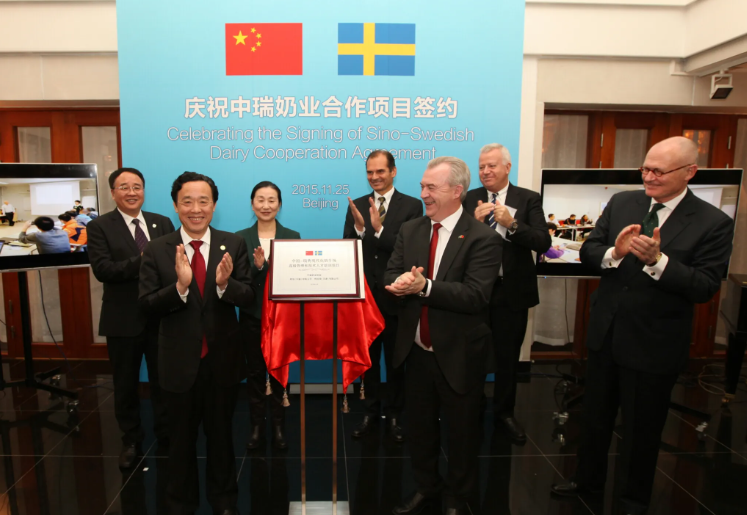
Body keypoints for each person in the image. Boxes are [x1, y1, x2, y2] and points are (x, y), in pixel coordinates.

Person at [551, 137, 734, 514]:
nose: (648, 177)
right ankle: (586, 481)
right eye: (645, 169)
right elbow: (589, 251)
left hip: (654, 344)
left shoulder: (713, 222)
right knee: (595, 419)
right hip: (606, 334)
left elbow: (705, 286)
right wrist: (614, 253)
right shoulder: (623, 203)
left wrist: (658, 262)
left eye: (658, 171)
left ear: (689, 172)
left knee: (641, 431)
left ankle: (632, 500)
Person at [385, 156, 502, 515]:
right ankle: (426, 488)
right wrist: (399, 283)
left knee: (462, 434)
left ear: (456, 191)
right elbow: (391, 271)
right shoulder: (411, 229)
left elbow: (475, 295)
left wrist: (425, 287)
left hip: (459, 353)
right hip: (417, 351)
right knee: (420, 430)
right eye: (422, 186)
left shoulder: (483, 238)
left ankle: (458, 497)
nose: (423, 194)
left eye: (431, 187)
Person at [139, 171, 255, 515]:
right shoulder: (157, 249)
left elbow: (248, 295)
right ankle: (180, 504)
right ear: (175, 206)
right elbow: (146, 304)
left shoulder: (233, 243)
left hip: (222, 361)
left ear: (214, 205)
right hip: (177, 362)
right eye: (187, 201)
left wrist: (224, 285)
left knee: (222, 438)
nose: (196, 209)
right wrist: (179, 288)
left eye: (203, 201)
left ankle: (224, 501)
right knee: (179, 442)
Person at [87, 167, 175, 469]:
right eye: (124, 187)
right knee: (125, 384)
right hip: (122, 318)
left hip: (161, 316)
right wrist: (145, 260)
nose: (131, 192)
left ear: (144, 191)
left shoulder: (161, 222)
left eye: (137, 186)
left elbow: (172, 263)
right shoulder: (99, 226)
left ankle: (166, 434)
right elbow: (104, 270)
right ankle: (131, 440)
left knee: (163, 380)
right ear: (113, 193)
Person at [463, 143, 551, 444]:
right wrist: (473, 225)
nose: (485, 171)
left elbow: (542, 241)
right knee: (472, 354)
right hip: (476, 292)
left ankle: (504, 413)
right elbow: (455, 242)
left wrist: (511, 224)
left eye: (492, 166)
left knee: (507, 357)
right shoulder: (469, 198)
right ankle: (472, 408)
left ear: (507, 167)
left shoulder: (528, 198)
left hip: (511, 292)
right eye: (481, 167)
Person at [343, 150, 422, 442]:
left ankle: (395, 414)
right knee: (369, 362)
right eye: (369, 172)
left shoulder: (412, 206)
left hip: (397, 299)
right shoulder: (358, 205)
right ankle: (370, 412)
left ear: (393, 171)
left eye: (380, 171)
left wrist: (377, 230)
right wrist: (359, 230)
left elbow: (408, 249)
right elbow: (348, 248)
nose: (374, 177)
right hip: (365, 299)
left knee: (396, 361)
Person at [235, 181, 300, 450]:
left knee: (280, 373)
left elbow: (295, 277)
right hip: (252, 317)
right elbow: (239, 281)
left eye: (272, 200)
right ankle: (256, 427)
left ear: (279, 205)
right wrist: (258, 268)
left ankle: (278, 426)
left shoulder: (292, 236)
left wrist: (270, 265)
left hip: (282, 319)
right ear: (252, 204)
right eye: (260, 200)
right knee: (255, 373)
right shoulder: (240, 238)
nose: (266, 205)